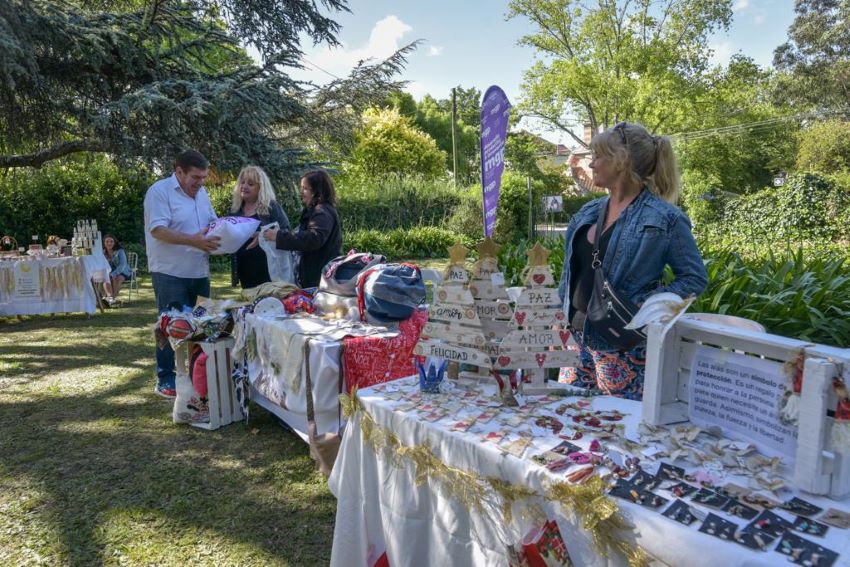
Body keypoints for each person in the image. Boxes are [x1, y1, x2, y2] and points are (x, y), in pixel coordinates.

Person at [558, 121, 707, 400]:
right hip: (573, 341)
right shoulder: (588, 212)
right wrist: (557, 315)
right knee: (567, 426)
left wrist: (645, 306)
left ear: (621, 162)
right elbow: (571, 273)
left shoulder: (665, 218)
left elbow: (694, 278)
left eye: (599, 157)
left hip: (622, 347)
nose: (592, 165)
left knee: (617, 431)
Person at [144, 149, 220, 398]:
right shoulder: (159, 192)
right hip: (170, 272)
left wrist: (227, 234)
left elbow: (211, 222)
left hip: (199, 270)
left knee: (201, 324)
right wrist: (194, 241)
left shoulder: (202, 194)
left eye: (203, 177)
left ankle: (198, 375)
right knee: (170, 325)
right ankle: (166, 378)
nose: (200, 183)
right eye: (195, 177)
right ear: (179, 172)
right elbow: (158, 230)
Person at [262, 170, 341, 288]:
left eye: (305, 188)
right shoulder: (317, 211)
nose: (301, 192)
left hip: (320, 278)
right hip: (315, 275)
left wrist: (278, 236)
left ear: (316, 191)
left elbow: (313, 238)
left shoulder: (322, 212)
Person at [229, 165, 290, 288]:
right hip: (244, 271)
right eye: (242, 182)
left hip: (269, 272)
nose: (244, 186)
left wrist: (263, 235)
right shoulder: (236, 211)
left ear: (261, 188)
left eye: (250, 184)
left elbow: (286, 232)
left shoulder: (271, 207)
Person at [102, 234, 132, 303]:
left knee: (117, 278)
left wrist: (114, 274)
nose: (109, 243)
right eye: (107, 241)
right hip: (110, 272)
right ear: (104, 243)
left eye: (111, 241)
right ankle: (110, 298)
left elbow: (122, 265)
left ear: (115, 242)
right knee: (105, 278)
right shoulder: (103, 252)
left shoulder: (120, 251)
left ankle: (112, 299)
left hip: (123, 272)